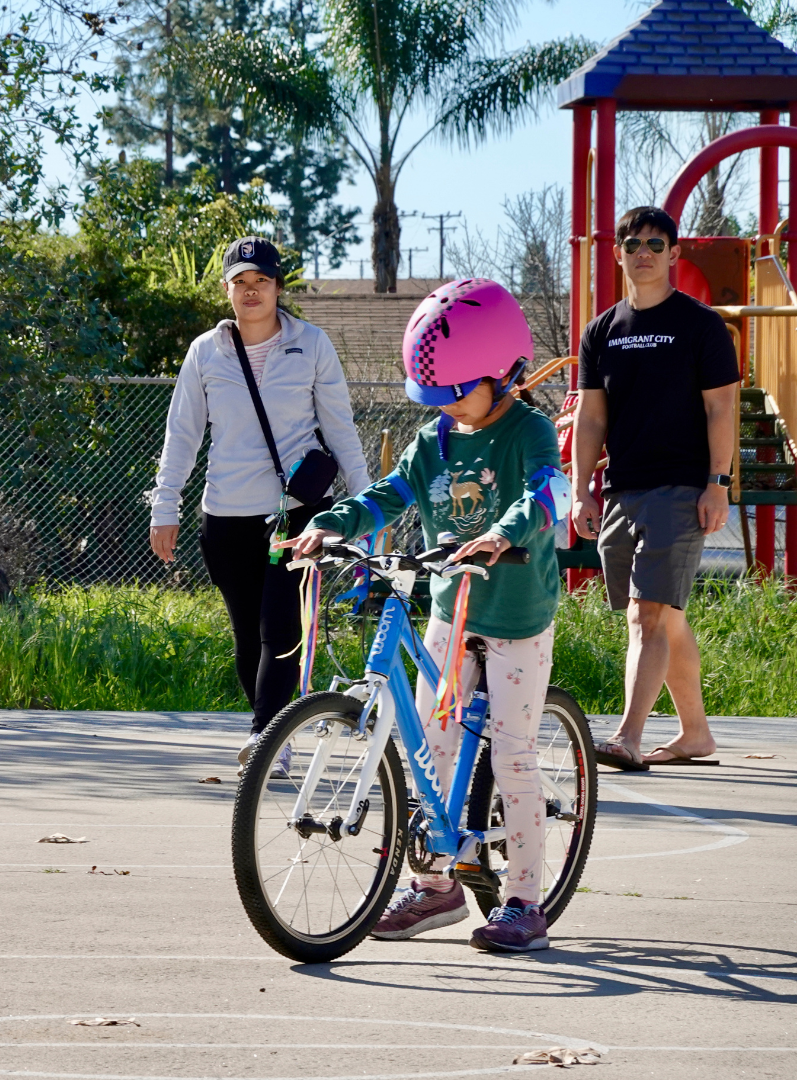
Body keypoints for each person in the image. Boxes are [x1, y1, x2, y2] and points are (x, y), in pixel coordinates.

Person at [283, 278, 570, 953]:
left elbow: (548, 491)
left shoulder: (526, 430)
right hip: (450, 609)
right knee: (429, 752)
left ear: (505, 375)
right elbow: (389, 493)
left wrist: (505, 534)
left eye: (457, 394)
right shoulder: (435, 437)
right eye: (435, 399)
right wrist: (332, 522)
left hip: (516, 616)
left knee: (515, 755)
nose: (449, 410)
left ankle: (525, 899)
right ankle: (436, 887)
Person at [149, 236, 369, 774]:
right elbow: (183, 434)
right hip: (224, 515)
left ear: (277, 288)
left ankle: (266, 735)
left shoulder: (312, 344)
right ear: (227, 289)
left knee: (282, 629)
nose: (251, 292)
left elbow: (340, 426)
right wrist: (165, 505)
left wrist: (367, 507)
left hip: (296, 513)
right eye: (241, 282)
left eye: (262, 282)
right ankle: (274, 729)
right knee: (249, 635)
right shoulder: (206, 350)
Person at [572, 207, 739, 771]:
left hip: (683, 487)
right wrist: (581, 489)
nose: (643, 251)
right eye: (633, 242)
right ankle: (695, 735)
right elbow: (591, 420)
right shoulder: (601, 332)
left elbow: (722, 407)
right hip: (622, 490)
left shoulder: (701, 326)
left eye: (655, 243)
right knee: (660, 617)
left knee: (648, 613)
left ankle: (628, 736)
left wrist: (718, 483)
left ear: (673, 254)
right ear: (618, 252)